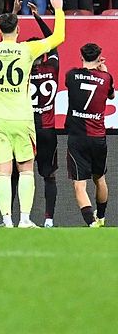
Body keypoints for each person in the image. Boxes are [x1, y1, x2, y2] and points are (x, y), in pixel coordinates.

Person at [0, 0, 65, 228]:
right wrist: (59, 10)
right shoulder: (27, 51)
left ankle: (6, 220)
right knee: (25, 170)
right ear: (18, 31)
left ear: (0, 31)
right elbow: (59, 37)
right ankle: (24, 219)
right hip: (22, 118)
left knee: (2, 172)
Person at [64, 43, 113, 228]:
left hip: (78, 138)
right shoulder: (106, 77)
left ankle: (91, 223)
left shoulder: (71, 75)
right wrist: (104, 71)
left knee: (79, 185)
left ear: (81, 56)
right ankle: (100, 217)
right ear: (99, 57)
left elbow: (74, 81)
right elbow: (111, 96)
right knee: (99, 178)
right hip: (98, 137)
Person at [27, 2, 61, 228]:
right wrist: (39, 18)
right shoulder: (53, 68)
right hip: (48, 131)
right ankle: (48, 219)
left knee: (18, 175)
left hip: (27, 130)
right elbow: (55, 45)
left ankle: (16, 218)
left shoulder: (22, 72)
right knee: (49, 176)